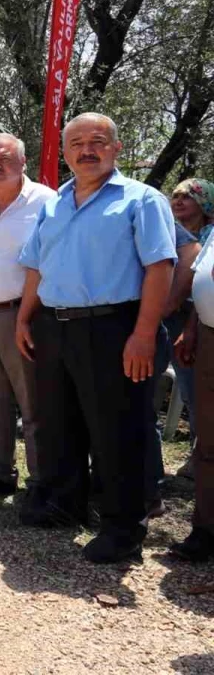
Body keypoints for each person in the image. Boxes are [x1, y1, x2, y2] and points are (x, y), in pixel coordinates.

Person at [15, 112, 176, 564]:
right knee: (61, 422)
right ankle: (67, 504)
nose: (87, 150)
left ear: (117, 148)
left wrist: (144, 335)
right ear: (65, 153)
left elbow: (160, 268)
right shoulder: (55, 202)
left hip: (113, 327)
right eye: (77, 144)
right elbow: (36, 265)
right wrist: (25, 318)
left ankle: (122, 530)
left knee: (115, 429)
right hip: (54, 324)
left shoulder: (142, 200)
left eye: (98, 141)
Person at [0, 134, 55, 496]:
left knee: (33, 406)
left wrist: (26, 318)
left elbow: (47, 264)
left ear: (23, 162)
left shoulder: (47, 202)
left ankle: (41, 484)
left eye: (4, 158)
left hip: (23, 317)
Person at [172, 231, 214, 560]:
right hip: (207, 336)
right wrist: (191, 328)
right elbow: (203, 278)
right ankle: (204, 529)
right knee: (207, 441)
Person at [171, 178, 214, 244]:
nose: (178, 202)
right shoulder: (167, 231)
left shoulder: (211, 237)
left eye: (186, 197)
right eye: (175, 196)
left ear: (204, 203)